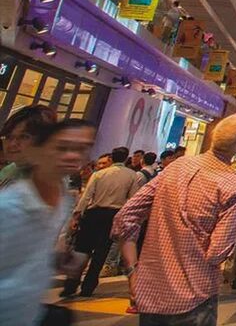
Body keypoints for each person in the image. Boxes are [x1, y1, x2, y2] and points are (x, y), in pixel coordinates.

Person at [112, 112, 236, 324]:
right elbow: (217, 253)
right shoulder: (235, 185)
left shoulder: (177, 166)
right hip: (195, 295)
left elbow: (126, 216)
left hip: (150, 290)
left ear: (213, 135)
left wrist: (132, 270)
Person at [0, 118, 94, 326]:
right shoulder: (9, 206)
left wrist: (58, 259)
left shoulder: (62, 198)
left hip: (27, 313)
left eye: (83, 149)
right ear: (36, 151)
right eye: (62, 147)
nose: (73, 155)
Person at [63, 144, 140, 297]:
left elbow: (86, 198)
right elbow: (132, 199)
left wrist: (76, 216)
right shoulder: (132, 176)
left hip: (93, 214)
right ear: (125, 158)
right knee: (101, 253)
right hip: (113, 216)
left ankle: (71, 283)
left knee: (82, 249)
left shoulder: (99, 174)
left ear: (111, 158)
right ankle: (89, 286)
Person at [0, 103, 57, 182]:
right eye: (8, 137)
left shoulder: (48, 178)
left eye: (24, 137)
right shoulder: (9, 170)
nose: (12, 144)